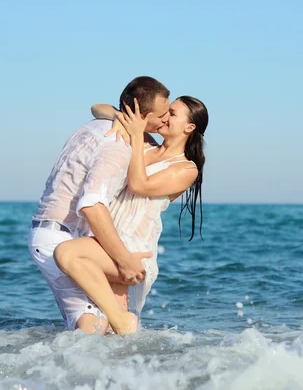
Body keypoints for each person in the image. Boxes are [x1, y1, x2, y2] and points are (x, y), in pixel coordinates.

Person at [53, 95, 208, 334]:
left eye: (173, 114)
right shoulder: (146, 144)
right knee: (103, 334)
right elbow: (97, 108)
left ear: (190, 127)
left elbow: (139, 184)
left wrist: (136, 135)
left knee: (66, 253)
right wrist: (121, 117)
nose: (164, 117)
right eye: (165, 112)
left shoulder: (186, 169)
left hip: (133, 250)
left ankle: (123, 322)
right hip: (108, 240)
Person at [28, 76, 170, 335]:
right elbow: (92, 205)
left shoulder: (95, 125)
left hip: (57, 232)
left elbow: (98, 107)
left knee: (99, 323)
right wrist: (125, 261)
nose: (166, 120)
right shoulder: (116, 143)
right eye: (161, 115)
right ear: (138, 113)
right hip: (59, 238)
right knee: (94, 323)